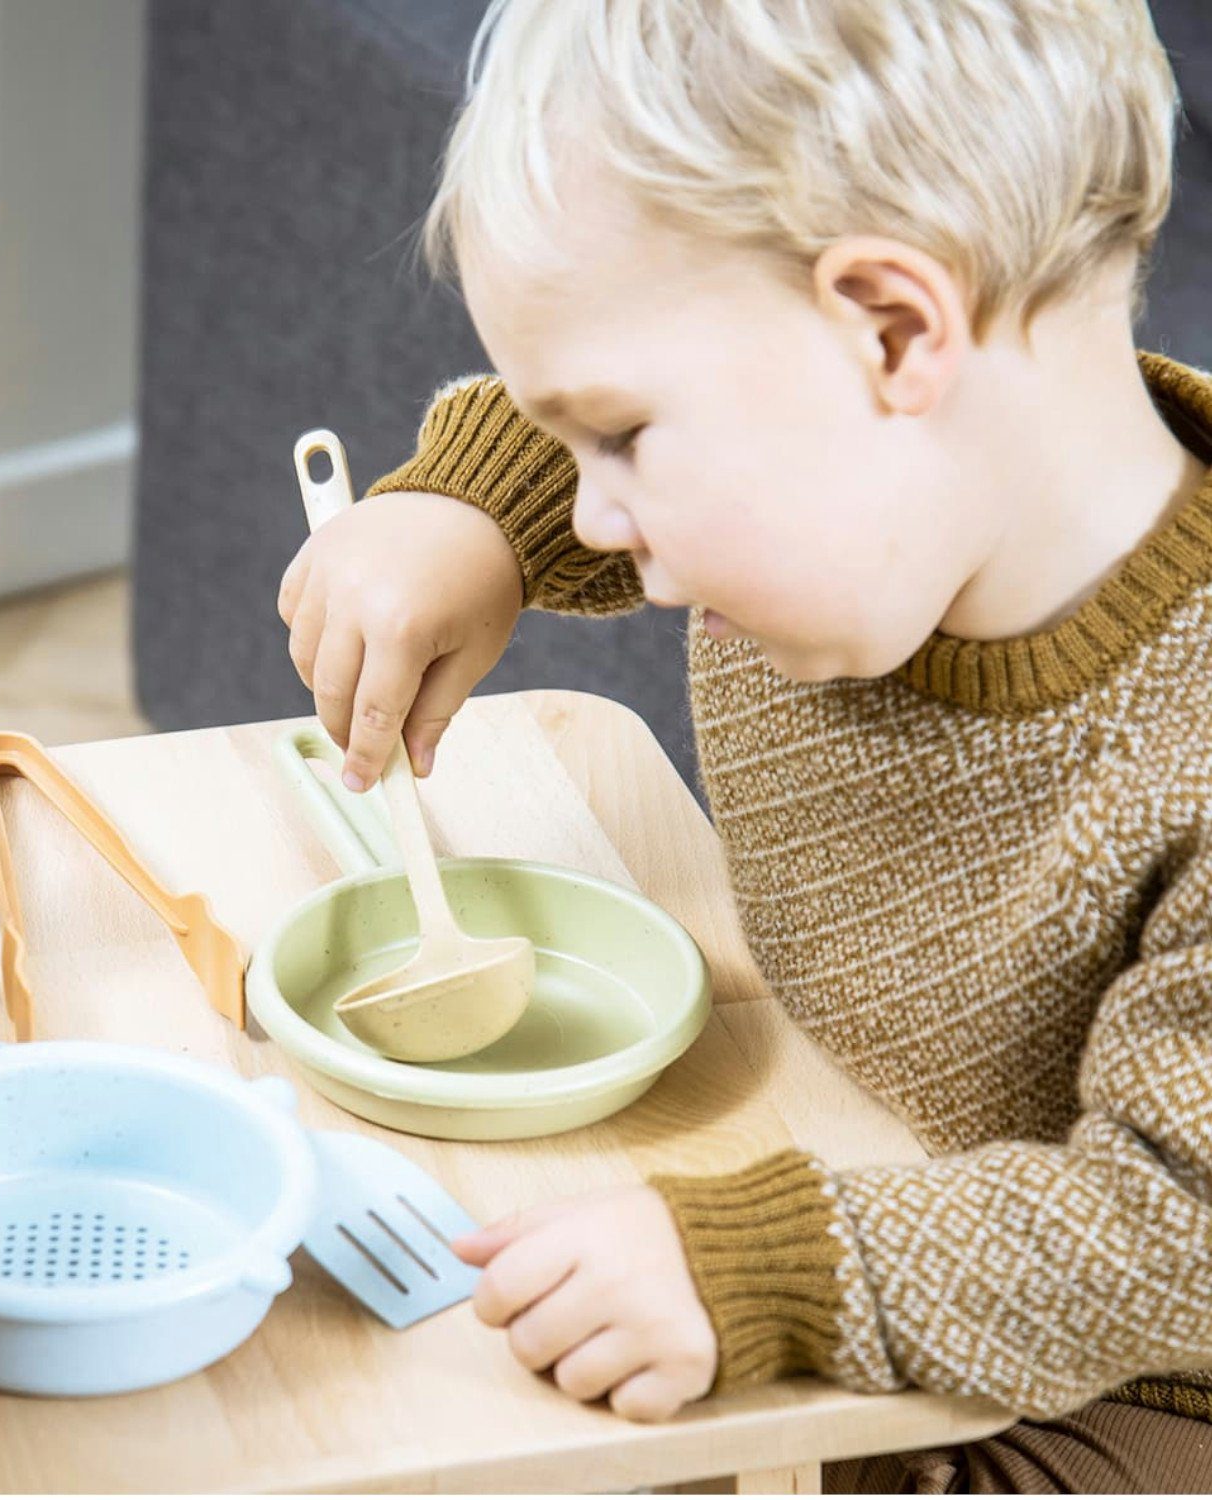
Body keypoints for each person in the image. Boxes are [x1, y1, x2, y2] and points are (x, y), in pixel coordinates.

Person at [277, 0, 1212, 1488]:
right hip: (851, 1153)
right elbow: (587, 406)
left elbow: (1174, 1232)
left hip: (1142, 1386)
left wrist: (761, 1269)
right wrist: (467, 515)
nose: (592, 514)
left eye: (625, 442)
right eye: (567, 442)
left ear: (897, 330)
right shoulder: (882, 515)